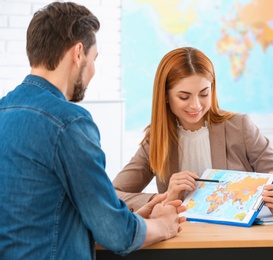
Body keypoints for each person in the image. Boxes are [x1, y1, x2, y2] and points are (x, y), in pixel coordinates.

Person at [0, 2, 186, 259]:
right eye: (94, 57)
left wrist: (130, 217)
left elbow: (42, 214)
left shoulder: (4, 110)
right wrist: (163, 225)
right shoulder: (68, 122)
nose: (94, 69)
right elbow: (115, 234)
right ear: (78, 53)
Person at [113, 47, 273, 216]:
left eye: (204, 94)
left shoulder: (240, 128)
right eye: (184, 97)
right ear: (165, 96)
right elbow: (113, 194)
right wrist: (165, 199)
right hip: (179, 242)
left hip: (232, 243)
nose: (195, 105)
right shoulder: (157, 139)